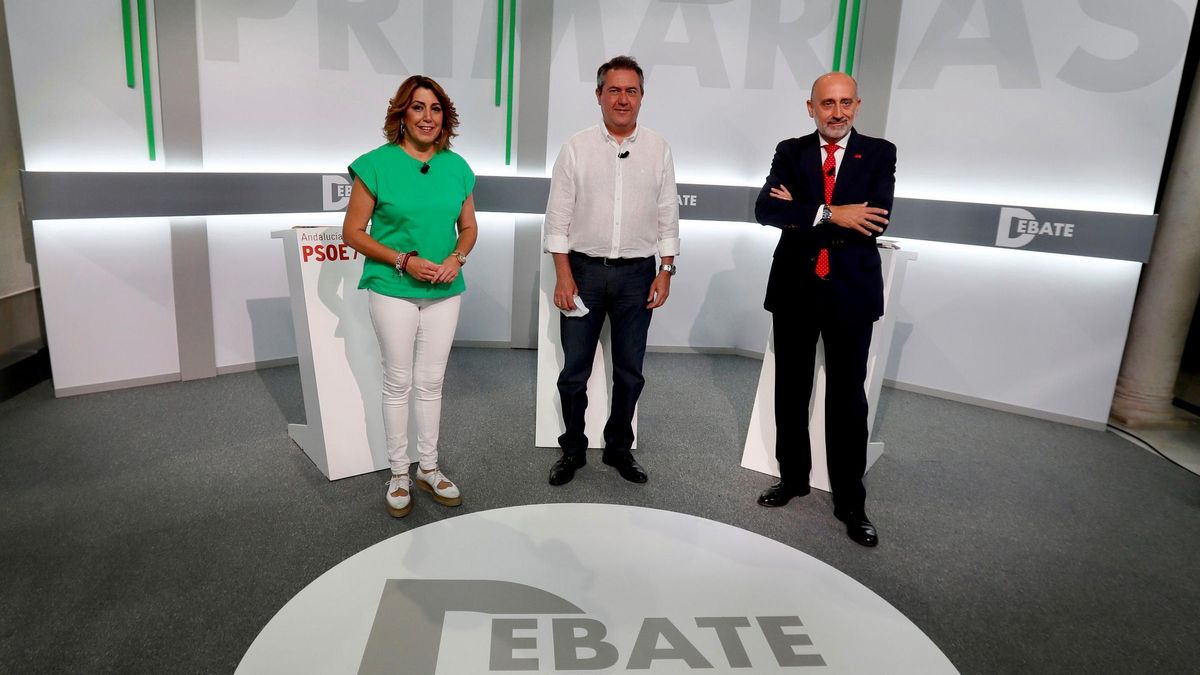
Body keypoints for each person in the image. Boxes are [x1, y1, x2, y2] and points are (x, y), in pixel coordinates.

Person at [753, 72, 896, 547]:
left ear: (858, 105)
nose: (837, 112)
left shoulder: (880, 153)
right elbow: (767, 210)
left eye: (846, 103)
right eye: (827, 103)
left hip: (850, 293)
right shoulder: (789, 151)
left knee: (847, 398)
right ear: (810, 107)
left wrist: (806, 211)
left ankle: (850, 501)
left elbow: (873, 220)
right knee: (791, 389)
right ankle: (792, 478)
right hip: (795, 289)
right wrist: (835, 212)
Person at [342, 75, 478, 518]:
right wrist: (403, 261)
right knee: (398, 381)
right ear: (401, 114)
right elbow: (352, 233)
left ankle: (429, 467)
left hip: (444, 290)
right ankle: (399, 472)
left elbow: (469, 227)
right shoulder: (375, 164)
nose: (427, 117)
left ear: (445, 118)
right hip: (393, 287)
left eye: (435, 109)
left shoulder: (457, 167)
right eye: (418, 107)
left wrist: (457, 257)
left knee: (432, 382)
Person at [542, 55, 680, 486]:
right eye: (614, 90)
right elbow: (557, 218)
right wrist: (564, 276)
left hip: (639, 275)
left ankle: (620, 449)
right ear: (599, 95)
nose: (623, 99)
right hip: (582, 272)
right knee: (574, 373)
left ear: (642, 97)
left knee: (630, 371)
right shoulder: (576, 147)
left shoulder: (658, 148)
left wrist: (666, 269)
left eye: (631, 91)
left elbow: (667, 213)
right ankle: (573, 450)